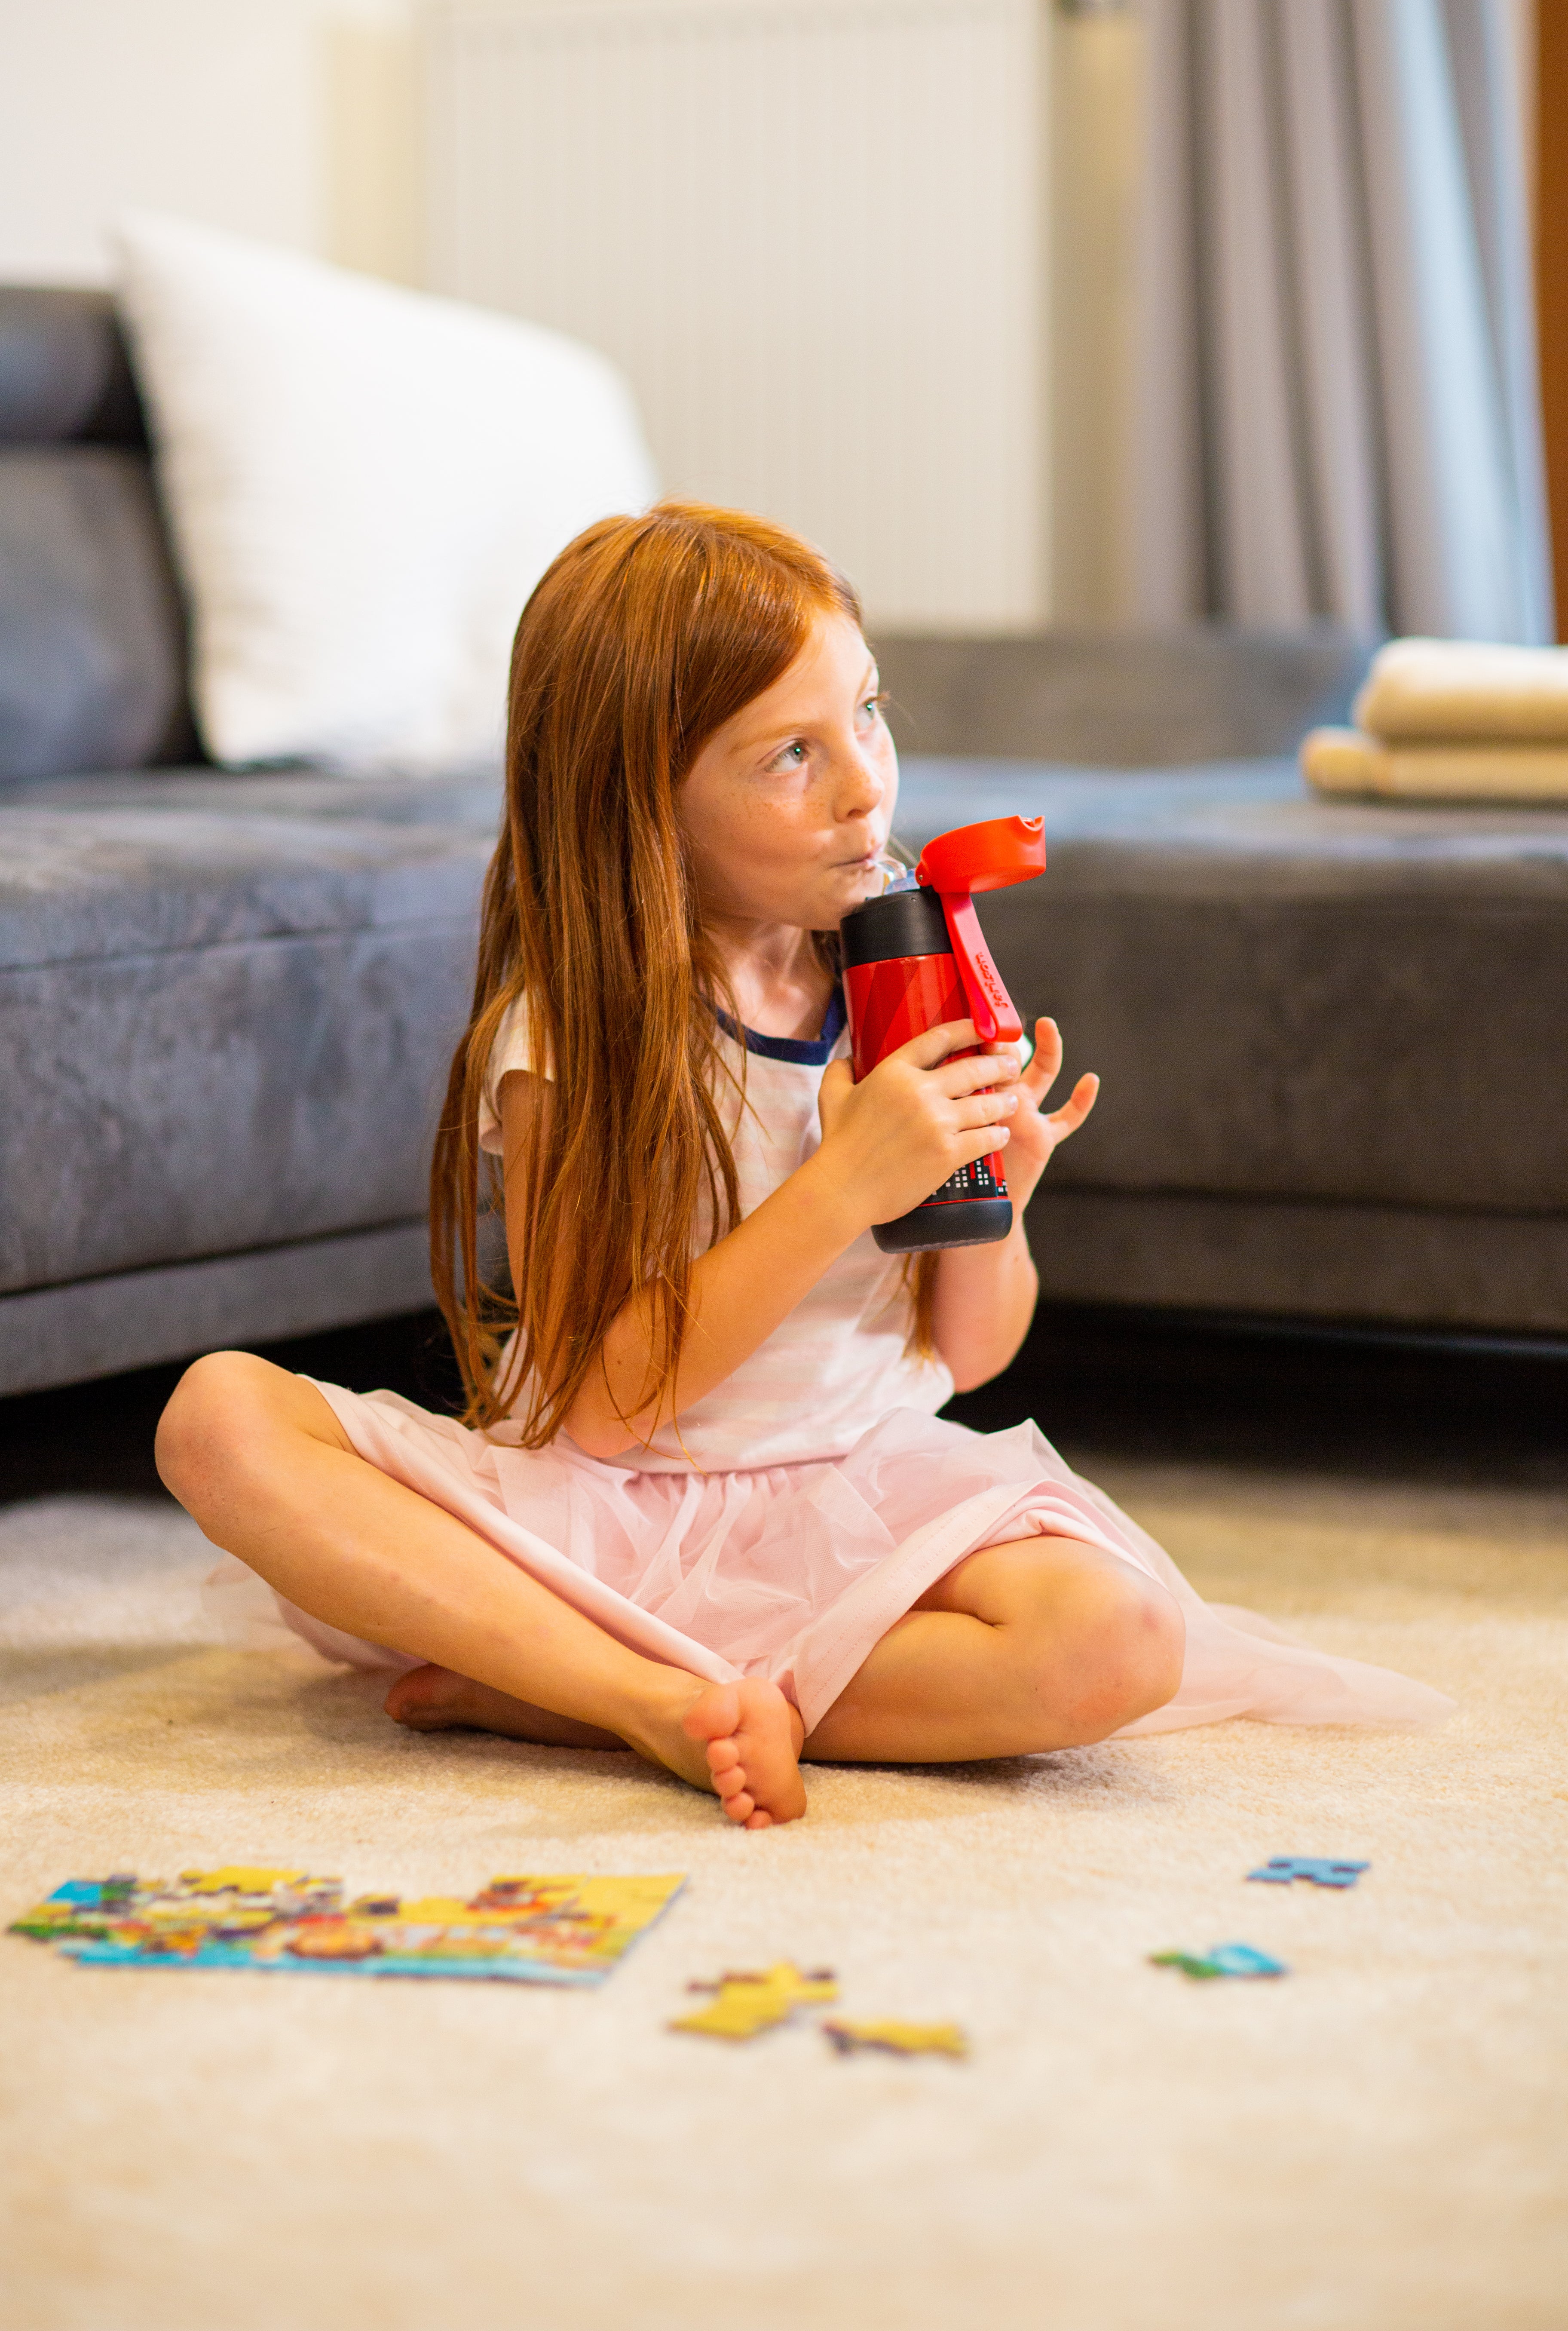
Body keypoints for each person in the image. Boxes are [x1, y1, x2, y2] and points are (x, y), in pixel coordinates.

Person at [156, 504, 1450, 1829]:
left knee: (1119, 1639)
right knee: (218, 1417)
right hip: (601, 1510)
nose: (865, 787)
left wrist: (993, 1193)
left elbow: (973, 1356)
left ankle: (547, 1685)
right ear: (642, 803)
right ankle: (632, 1695)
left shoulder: (891, 984)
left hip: (853, 1485)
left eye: (869, 716)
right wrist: (842, 1184)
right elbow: (605, 1406)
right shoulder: (574, 1037)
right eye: (790, 754)